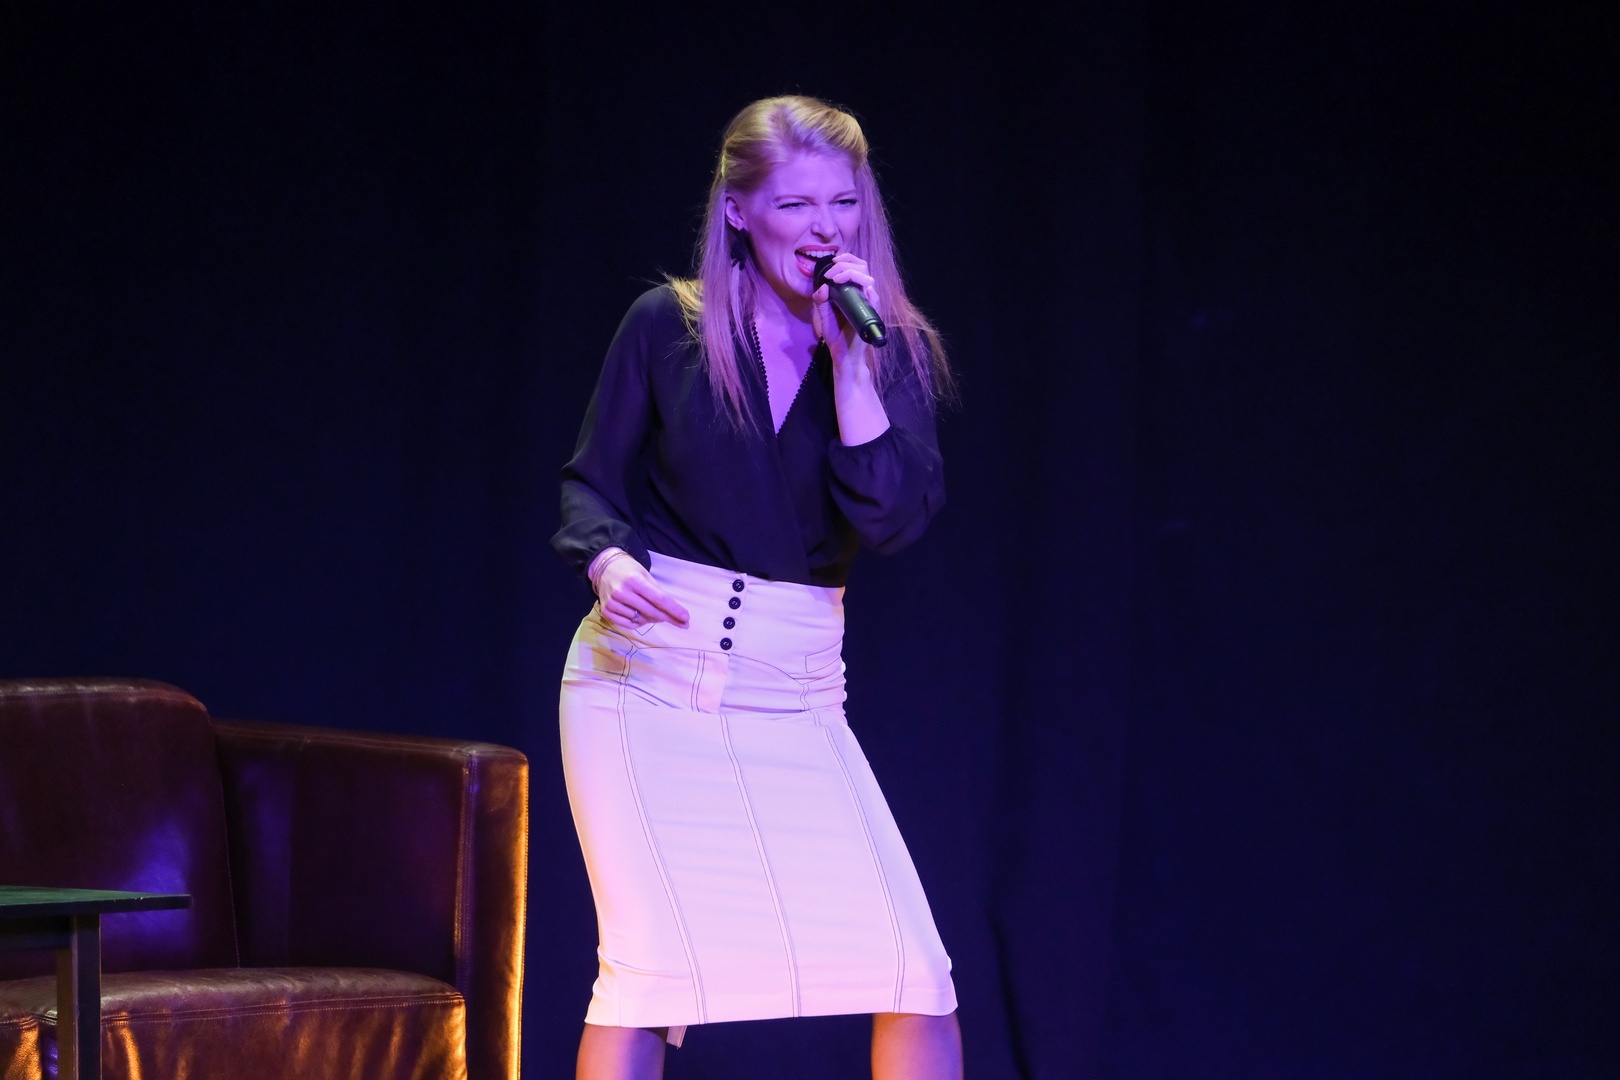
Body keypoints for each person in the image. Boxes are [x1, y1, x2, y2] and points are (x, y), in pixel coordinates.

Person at [552, 95, 961, 1080]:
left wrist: (852, 372)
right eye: (795, 204)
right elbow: (590, 486)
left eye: (843, 203)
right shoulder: (669, 326)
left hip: (795, 694)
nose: (825, 229)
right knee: (648, 974)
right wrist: (609, 561)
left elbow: (893, 521)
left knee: (912, 972)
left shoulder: (887, 347)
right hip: (642, 684)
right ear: (739, 211)